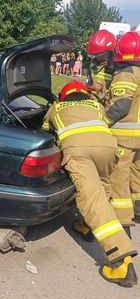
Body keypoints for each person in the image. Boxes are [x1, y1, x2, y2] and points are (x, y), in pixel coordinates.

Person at [42, 80, 137, 287]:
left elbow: (43, 132)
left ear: (63, 96)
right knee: (102, 189)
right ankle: (87, 227)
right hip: (107, 148)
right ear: (86, 95)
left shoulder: (55, 108)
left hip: (79, 151)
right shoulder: (96, 106)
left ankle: (121, 260)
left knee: (92, 199)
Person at [106, 31, 140, 226]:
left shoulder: (126, 74)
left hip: (125, 137)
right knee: (137, 175)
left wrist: (102, 121)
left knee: (119, 178)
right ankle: (137, 209)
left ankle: (123, 219)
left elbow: (121, 106)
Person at [86, 29, 117, 104]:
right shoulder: (94, 64)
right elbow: (90, 83)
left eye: (102, 55)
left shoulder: (117, 67)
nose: (98, 58)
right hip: (92, 102)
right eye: (95, 55)